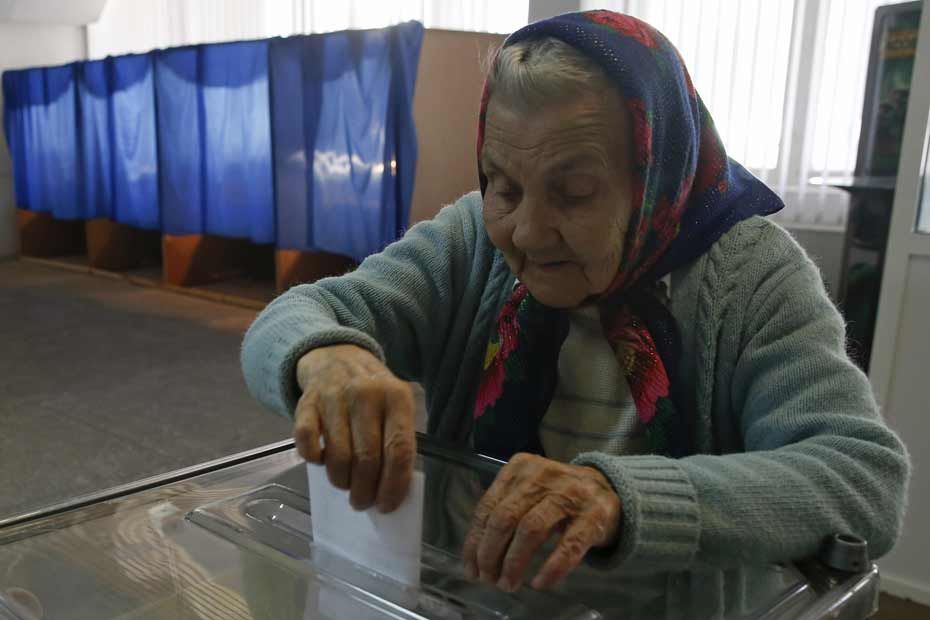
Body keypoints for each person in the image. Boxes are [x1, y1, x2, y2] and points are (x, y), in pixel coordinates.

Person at [241, 10, 909, 617]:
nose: (528, 233)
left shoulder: (751, 275)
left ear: (656, 176)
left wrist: (621, 498)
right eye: (504, 186)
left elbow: (863, 480)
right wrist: (327, 356)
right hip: (463, 600)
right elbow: (296, 316)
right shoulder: (473, 240)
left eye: (576, 192)